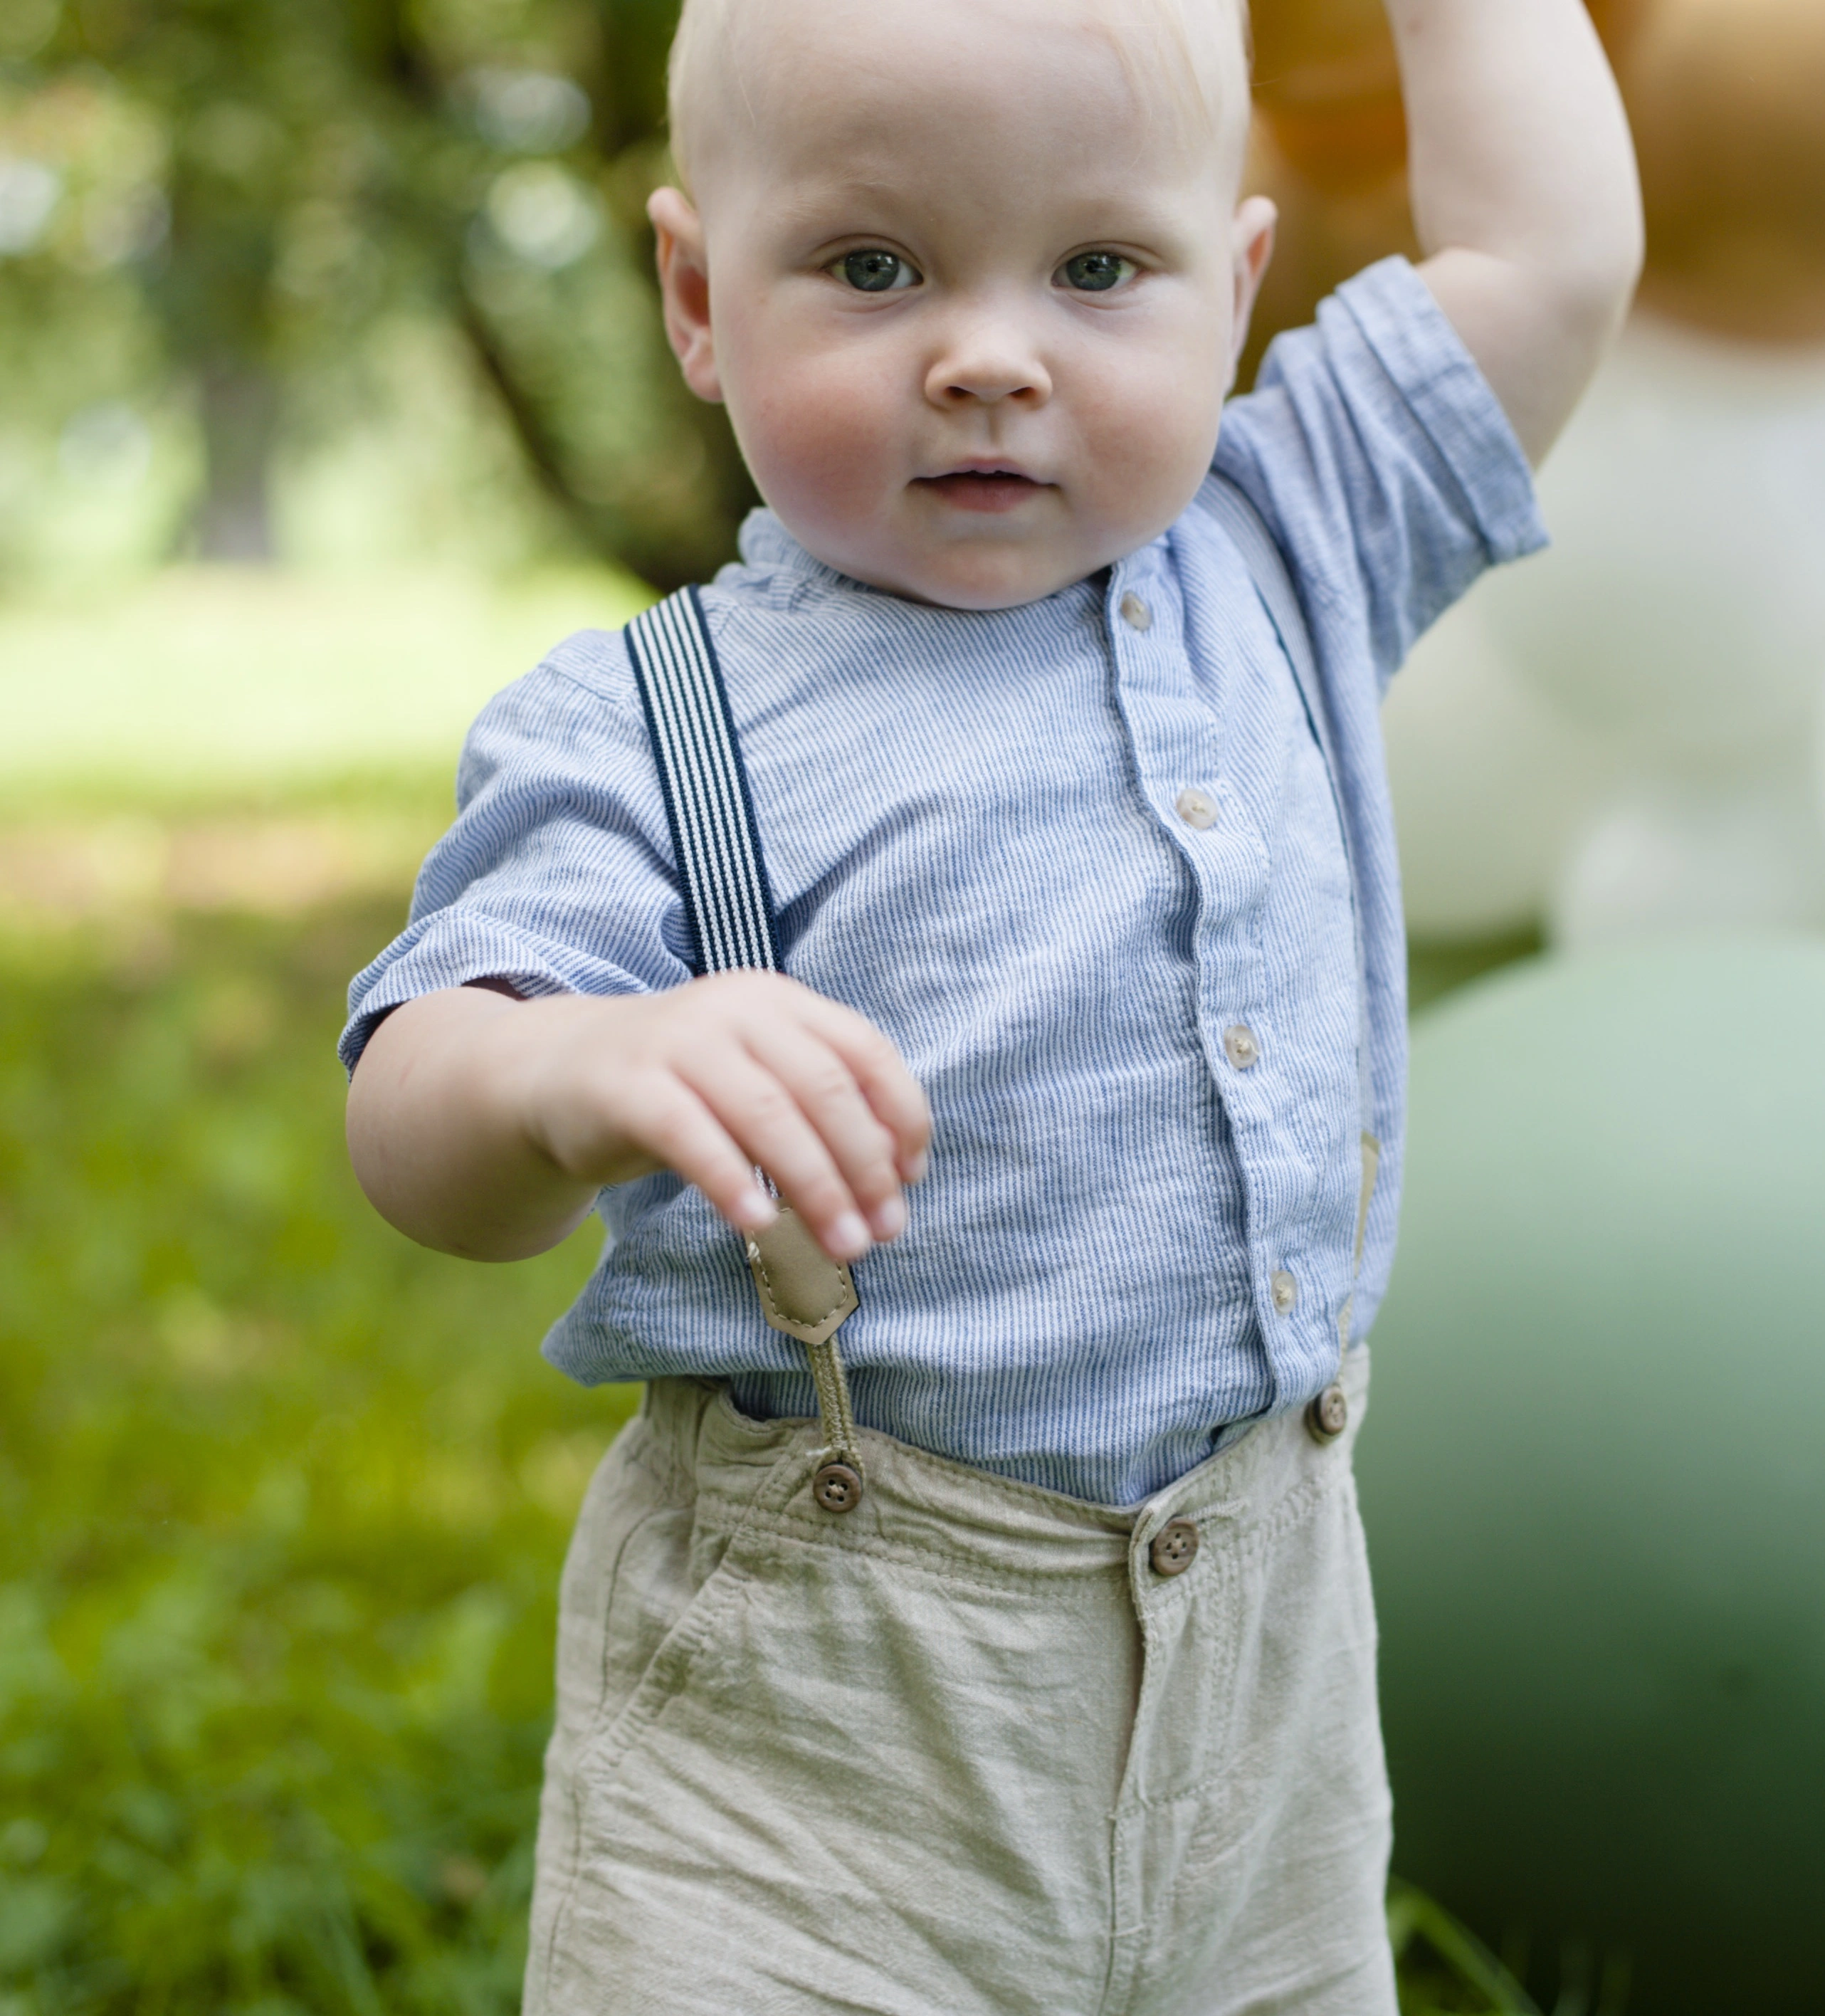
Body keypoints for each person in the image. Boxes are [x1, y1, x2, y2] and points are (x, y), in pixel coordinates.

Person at [342, 0, 1641, 2005]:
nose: (990, 354)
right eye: (874, 268)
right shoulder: (648, 721)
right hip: (819, 1738)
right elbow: (418, 1118)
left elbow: (1552, 256)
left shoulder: (1288, 548)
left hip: (1267, 1695)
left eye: (1100, 270)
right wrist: (574, 1054)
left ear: (1235, 290)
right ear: (701, 298)